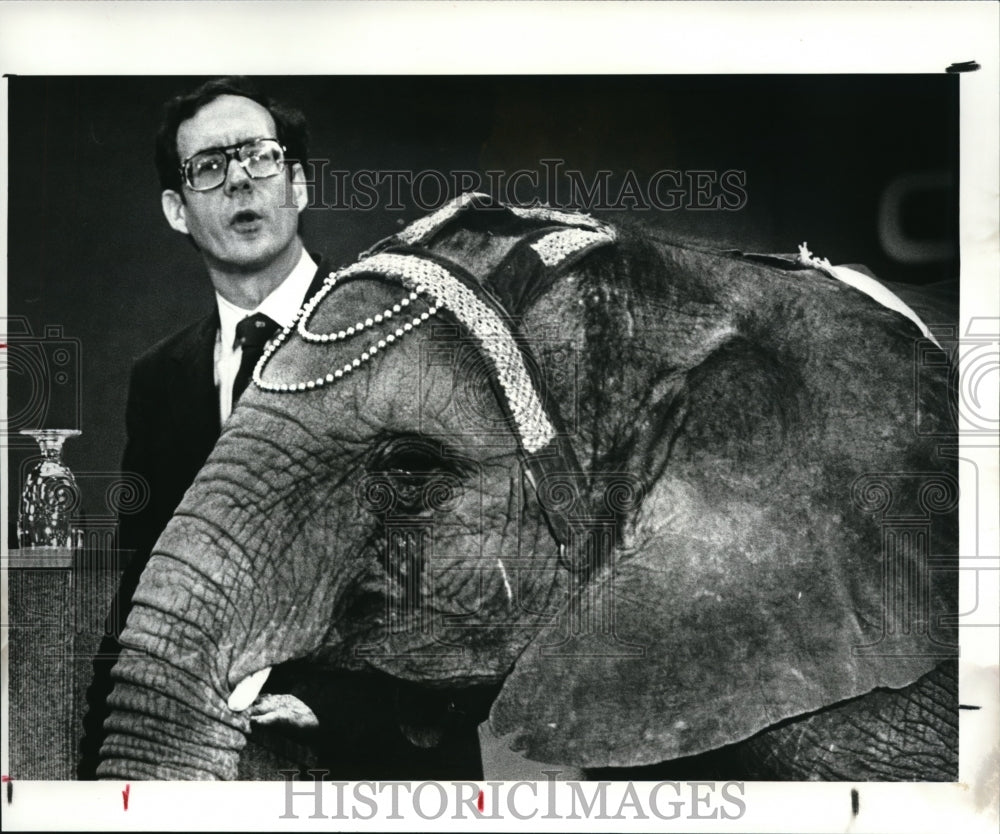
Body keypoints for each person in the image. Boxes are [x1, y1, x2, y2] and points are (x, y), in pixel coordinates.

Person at [80, 77, 486, 780]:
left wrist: (335, 706)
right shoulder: (162, 377)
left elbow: (474, 572)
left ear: (296, 185)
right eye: (209, 166)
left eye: (261, 158)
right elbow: (147, 578)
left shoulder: (408, 336)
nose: (240, 179)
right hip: (210, 765)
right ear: (177, 210)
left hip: (385, 769)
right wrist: (97, 771)